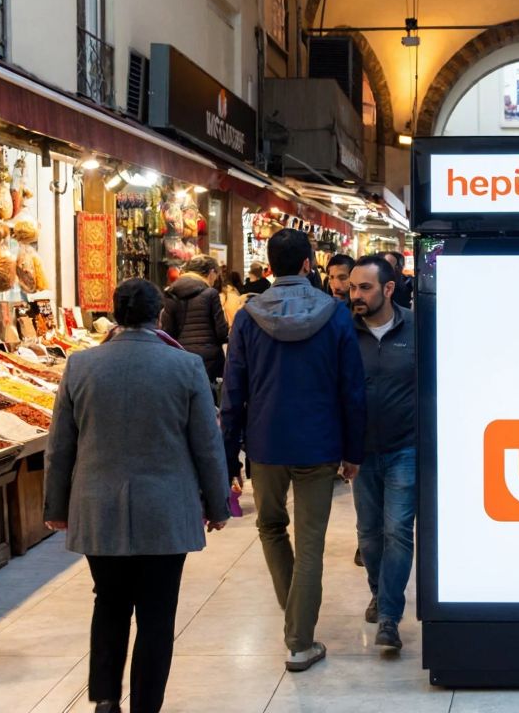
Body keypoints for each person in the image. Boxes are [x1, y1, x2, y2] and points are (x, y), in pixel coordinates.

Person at [44, 278, 230, 713]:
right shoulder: (184, 368)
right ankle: (146, 705)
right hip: (166, 508)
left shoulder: (80, 365)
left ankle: (106, 700)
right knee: (157, 613)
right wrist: (218, 503)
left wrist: (56, 506)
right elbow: (207, 443)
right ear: (158, 315)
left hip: (98, 506)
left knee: (108, 602)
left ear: (115, 313)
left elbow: (60, 445)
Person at [221, 229, 366, 673]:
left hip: (264, 444)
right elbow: (352, 390)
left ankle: (296, 620)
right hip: (320, 443)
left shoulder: (247, 318)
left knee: (270, 528)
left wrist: (229, 457)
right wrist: (353, 450)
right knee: (311, 545)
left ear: (271, 267)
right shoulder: (336, 316)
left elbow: (233, 393)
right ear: (309, 265)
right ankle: (300, 639)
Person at [347, 255, 417, 651]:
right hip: (361, 451)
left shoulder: (416, 327)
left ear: (388, 289)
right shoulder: (344, 331)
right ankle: (378, 591)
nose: (356, 295)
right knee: (369, 535)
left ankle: (389, 616)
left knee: (397, 531)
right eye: (353, 287)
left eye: (365, 287)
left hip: (405, 446)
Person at [160, 255, 229, 395]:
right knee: (209, 399)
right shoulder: (210, 294)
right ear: (211, 273)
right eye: (216, 275)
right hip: (209, 360)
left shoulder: (171, 292)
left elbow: (167, 331)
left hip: (181, 356)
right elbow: (221, 333)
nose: (215, 280)